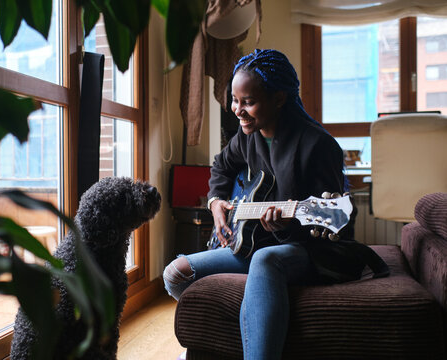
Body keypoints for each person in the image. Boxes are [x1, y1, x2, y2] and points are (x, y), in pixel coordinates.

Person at [163, 49, 388, 360]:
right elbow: (221, 166)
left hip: (314, 251)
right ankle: (234, 334)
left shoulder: (317, 145)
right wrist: (216, 203)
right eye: (235, 100)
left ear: (279, 99)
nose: (237, 110)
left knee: (266, 261)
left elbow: (338, 223)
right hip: (257, 241)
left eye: (248, 102)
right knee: (176, 273)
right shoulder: (247, 137)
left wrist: (285, 226)